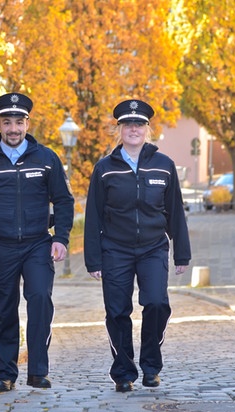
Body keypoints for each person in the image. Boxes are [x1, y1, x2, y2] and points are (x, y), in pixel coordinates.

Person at [0, 93, 74, 392]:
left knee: (39, 301)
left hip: (37, 245)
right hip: (0, 247)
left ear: (27, 123)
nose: (13, 128)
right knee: (4, 310)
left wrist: (60, 238)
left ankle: (38, 371)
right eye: (7, 122)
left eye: (18, 122)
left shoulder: (46, 159)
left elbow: (63, 200)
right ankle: (5, 374)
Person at [84, 99, 191, 393]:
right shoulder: (105, 168)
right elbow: (93, 216)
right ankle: (123, 372)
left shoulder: (164, 165)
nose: (133, 129)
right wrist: (93, 259)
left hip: (153, 248)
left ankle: (151, 365)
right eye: (128, 124)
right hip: (114, 249)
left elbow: (175, 212)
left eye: (139, 124)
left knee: (156, 303)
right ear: (119, 129)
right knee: (117, 311)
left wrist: (182, 253)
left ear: (147, 129)